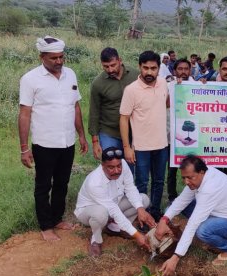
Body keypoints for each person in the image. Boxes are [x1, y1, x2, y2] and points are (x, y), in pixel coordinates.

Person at [18, 36, 89, 241]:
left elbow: (75, 106)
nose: (59, 61)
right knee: (43, 185)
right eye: (53, 58)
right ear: (42, 57)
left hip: (67, 141)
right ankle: (46, 226)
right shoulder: (30, 79)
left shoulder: (71, 75)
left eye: (61, 57)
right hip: (44, 143)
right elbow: (24, 114)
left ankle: (57, 218)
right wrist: (24, 148)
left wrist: (82, 135)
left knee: (62, 182)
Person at [154, 155, 227, 276]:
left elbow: (193, 224)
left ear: (201, 172)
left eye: (190, 178)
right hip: (217, 213)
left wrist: (175, 258)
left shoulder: (210, 187)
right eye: (184, 178)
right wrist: (163, 220)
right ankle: (187, 236)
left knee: (202, 231)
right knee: (170, 208)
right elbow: (181, 201)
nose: (186, 182)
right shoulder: (200, 176)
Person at [75, 147, 156, 257]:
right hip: (88, 211)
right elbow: (113, 209)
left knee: (143, 200)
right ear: (103, 166)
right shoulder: (94, 182)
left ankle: (115, 228)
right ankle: (96, 240)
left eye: (118, 166)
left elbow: (130, 188)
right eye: (111, 167)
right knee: (101, 213)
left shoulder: (123, 164)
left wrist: (140, 209)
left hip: (113, 204)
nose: (117, 170)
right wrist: (137, 235)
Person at [120, 51, 170, 222]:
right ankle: (142, 216)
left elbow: (168, 103)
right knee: (141, 183)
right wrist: (127, 147)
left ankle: (155, 212)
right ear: (140, 67)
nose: (149, 72)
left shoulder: (163, 84)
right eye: (145, 68)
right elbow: (124, 118)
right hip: (141, 147)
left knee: (158, 181)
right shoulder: (131, 90)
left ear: (159, 68)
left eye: (153, 68)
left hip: (162, 145)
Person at [89, 48, 139, 159]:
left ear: (120, 60)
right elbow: (94, 112)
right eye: (106, 66)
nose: (110, 70)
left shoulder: (136, 76)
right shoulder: (98, 83)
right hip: (109, 132)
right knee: (112, 165)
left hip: (133, 132)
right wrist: (95, 141)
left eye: (113, 65)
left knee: (130, 168)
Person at [167, 58, 195, 202]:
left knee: (192, 167)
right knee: (172, 168)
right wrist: (173, 88)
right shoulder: (168, 85)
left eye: (186, 69)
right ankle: (172, 197)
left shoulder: (196, 85)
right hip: (172, 135)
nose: (183, 72)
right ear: (174, 70)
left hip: (191, 132)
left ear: (190, 70)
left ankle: (192, 196)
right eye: (180, 69)